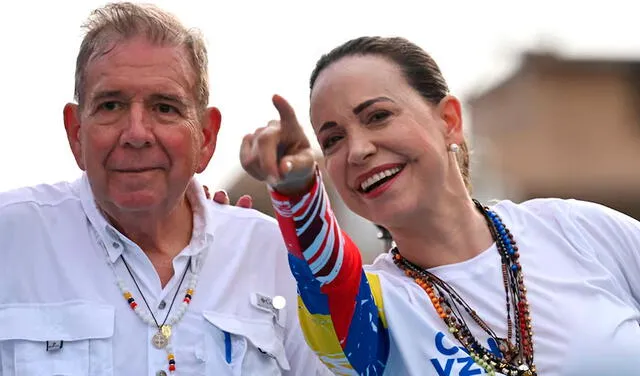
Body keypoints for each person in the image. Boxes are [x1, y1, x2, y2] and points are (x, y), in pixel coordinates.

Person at [237, 36, 640, 375]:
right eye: (333, 140)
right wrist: (298, 190)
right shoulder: (377, 307)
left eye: (378, 116)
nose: (357, 150)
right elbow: (328, 281)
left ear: (449, 120)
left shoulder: (577, 230)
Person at [0, 3, 329, 375]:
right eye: (111, 105)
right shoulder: (11, 238)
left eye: (165, 107)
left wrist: (305, 197)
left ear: (205, 137)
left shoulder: (272, 254)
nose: (137, 133)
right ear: (76, 132)